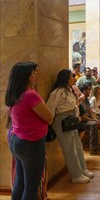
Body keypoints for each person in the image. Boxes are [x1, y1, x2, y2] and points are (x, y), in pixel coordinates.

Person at [5, 62, 53, 199]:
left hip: (17, 140)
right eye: (33, 73)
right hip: (31, 143)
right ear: (25, 76)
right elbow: (49, 118)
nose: (36, 76)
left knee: (20, 181)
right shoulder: (30, 95)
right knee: (32, 185)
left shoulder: (14, 93)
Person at [47, 69, 94, 184]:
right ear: (66, 78)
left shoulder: (69, 90)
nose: (74, 78)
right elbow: (50, 109)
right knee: (69, 149)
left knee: (77, 146)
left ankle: (83, 170)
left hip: (71, 120)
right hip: (62, 121)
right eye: (72, 76)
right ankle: (76, 175)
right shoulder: (57, 92)